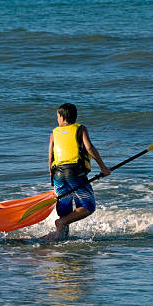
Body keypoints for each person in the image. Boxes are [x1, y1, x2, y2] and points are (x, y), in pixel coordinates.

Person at [43, 103, 111, 241]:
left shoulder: (54, 134)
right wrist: (103, 168)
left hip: (58, 176)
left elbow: (50, 157)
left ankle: (61, 237)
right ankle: (61, 224)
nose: (57, 119)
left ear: (62, 117)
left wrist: (53, 176)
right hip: (75, 174)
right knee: (88, 206)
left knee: (65, 209)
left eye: (57, 116)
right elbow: (90, 148)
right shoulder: (81, 129)